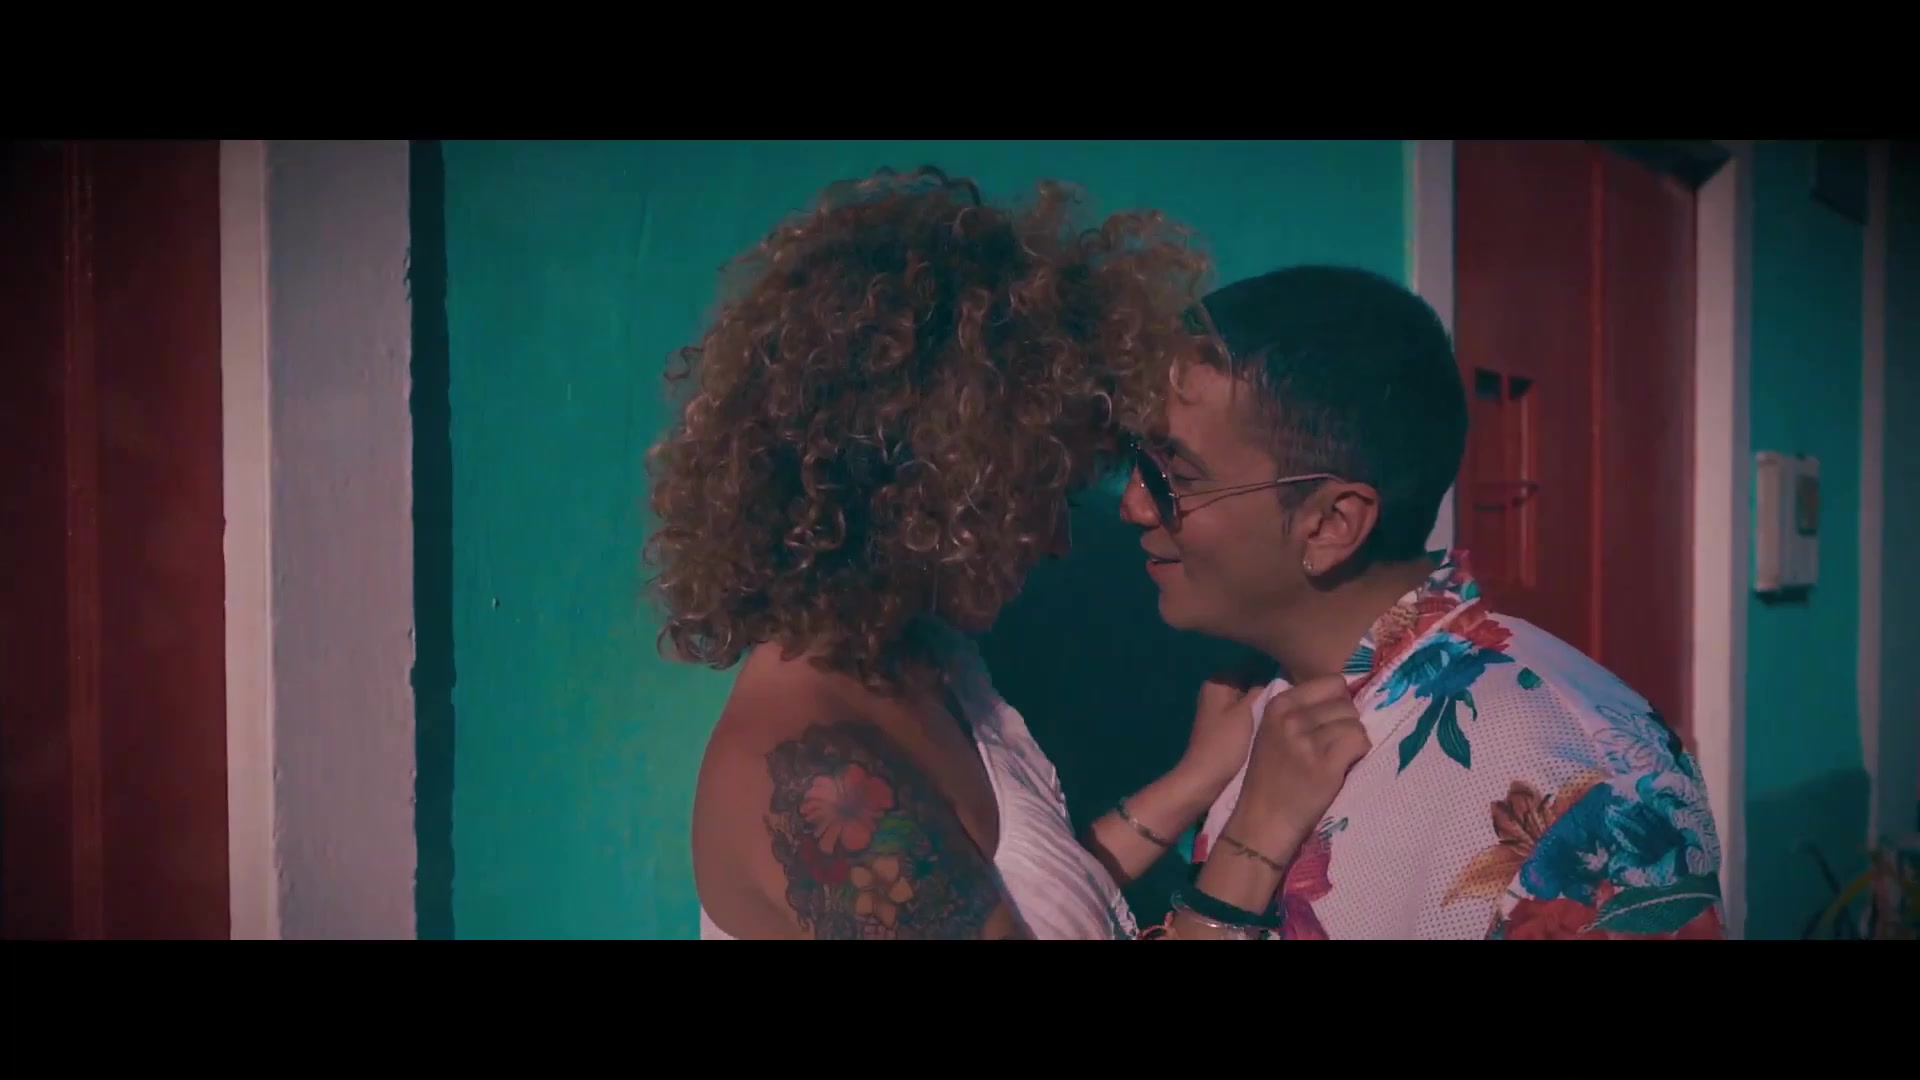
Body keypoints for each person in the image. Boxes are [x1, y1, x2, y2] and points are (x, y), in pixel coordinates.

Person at [648, 166, 1245, 940]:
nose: (1060, 541)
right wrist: (1256, 840)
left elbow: (1031, 906)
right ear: (922, 484)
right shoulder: (821, 784)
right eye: (1042, 495)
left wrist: (1201, 775)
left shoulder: (925, 658)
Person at [1117, 265, 1727, 940]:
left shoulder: (1567, 775)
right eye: (1140, 460)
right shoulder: (1266, 707)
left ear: (1330, 524)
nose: (1134, 504)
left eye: (1175, 477)